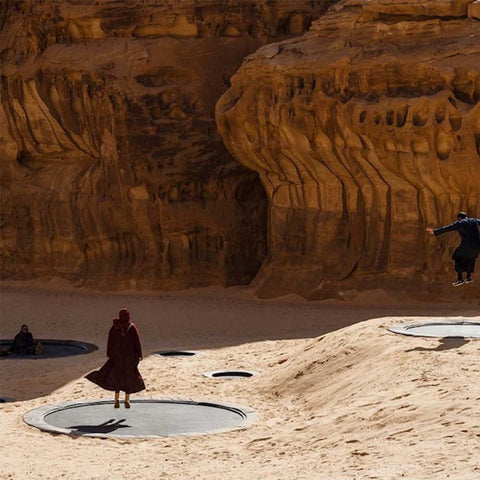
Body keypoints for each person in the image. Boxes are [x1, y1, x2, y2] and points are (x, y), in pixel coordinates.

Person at [86, 308, 145, 408]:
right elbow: (137, 342)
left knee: (117, 378)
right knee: (128, 378)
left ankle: (116, 400)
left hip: (117, 357)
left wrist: (109, 354)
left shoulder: (114, 327)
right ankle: (127, 400)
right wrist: (139, 354)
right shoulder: (131, 327)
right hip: (129, 358)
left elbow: (110, 342)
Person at [426, 212, 480, 286]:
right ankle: (468, 277)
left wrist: (435, 232)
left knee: (456, 257)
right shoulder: (475, 220)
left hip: (466, 244)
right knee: (471, 258)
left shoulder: (460, 223)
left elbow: (448, 228)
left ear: (459, 218)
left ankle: (460, 279)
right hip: (477, 245)